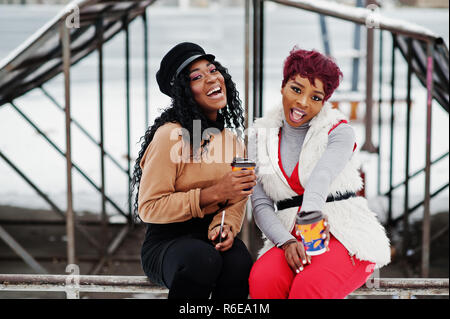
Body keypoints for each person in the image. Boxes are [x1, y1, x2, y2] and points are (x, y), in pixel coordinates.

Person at [248, 47, 391, 299]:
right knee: (262, 281)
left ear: (324, 101)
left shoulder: (338, 131)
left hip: (345, 232)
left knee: (309, 288)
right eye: (296, 89)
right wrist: (287, 241)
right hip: (288, 234)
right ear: (283, 86)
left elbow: (322, 175)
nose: (303, 102)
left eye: (316, 97)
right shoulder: (260, 137)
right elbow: (260, 203)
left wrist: (310, 219)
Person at [132, 42, 255, 299]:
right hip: (167, 242)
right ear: (184, 92)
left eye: (212, 70)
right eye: (197, 77)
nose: (211, 78)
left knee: (240, 262)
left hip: (209, 236)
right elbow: (149, 207)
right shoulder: (170, 136)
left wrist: (226, 226)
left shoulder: (233, 141)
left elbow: (238, 195)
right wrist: (211, 194)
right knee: (202, 260)